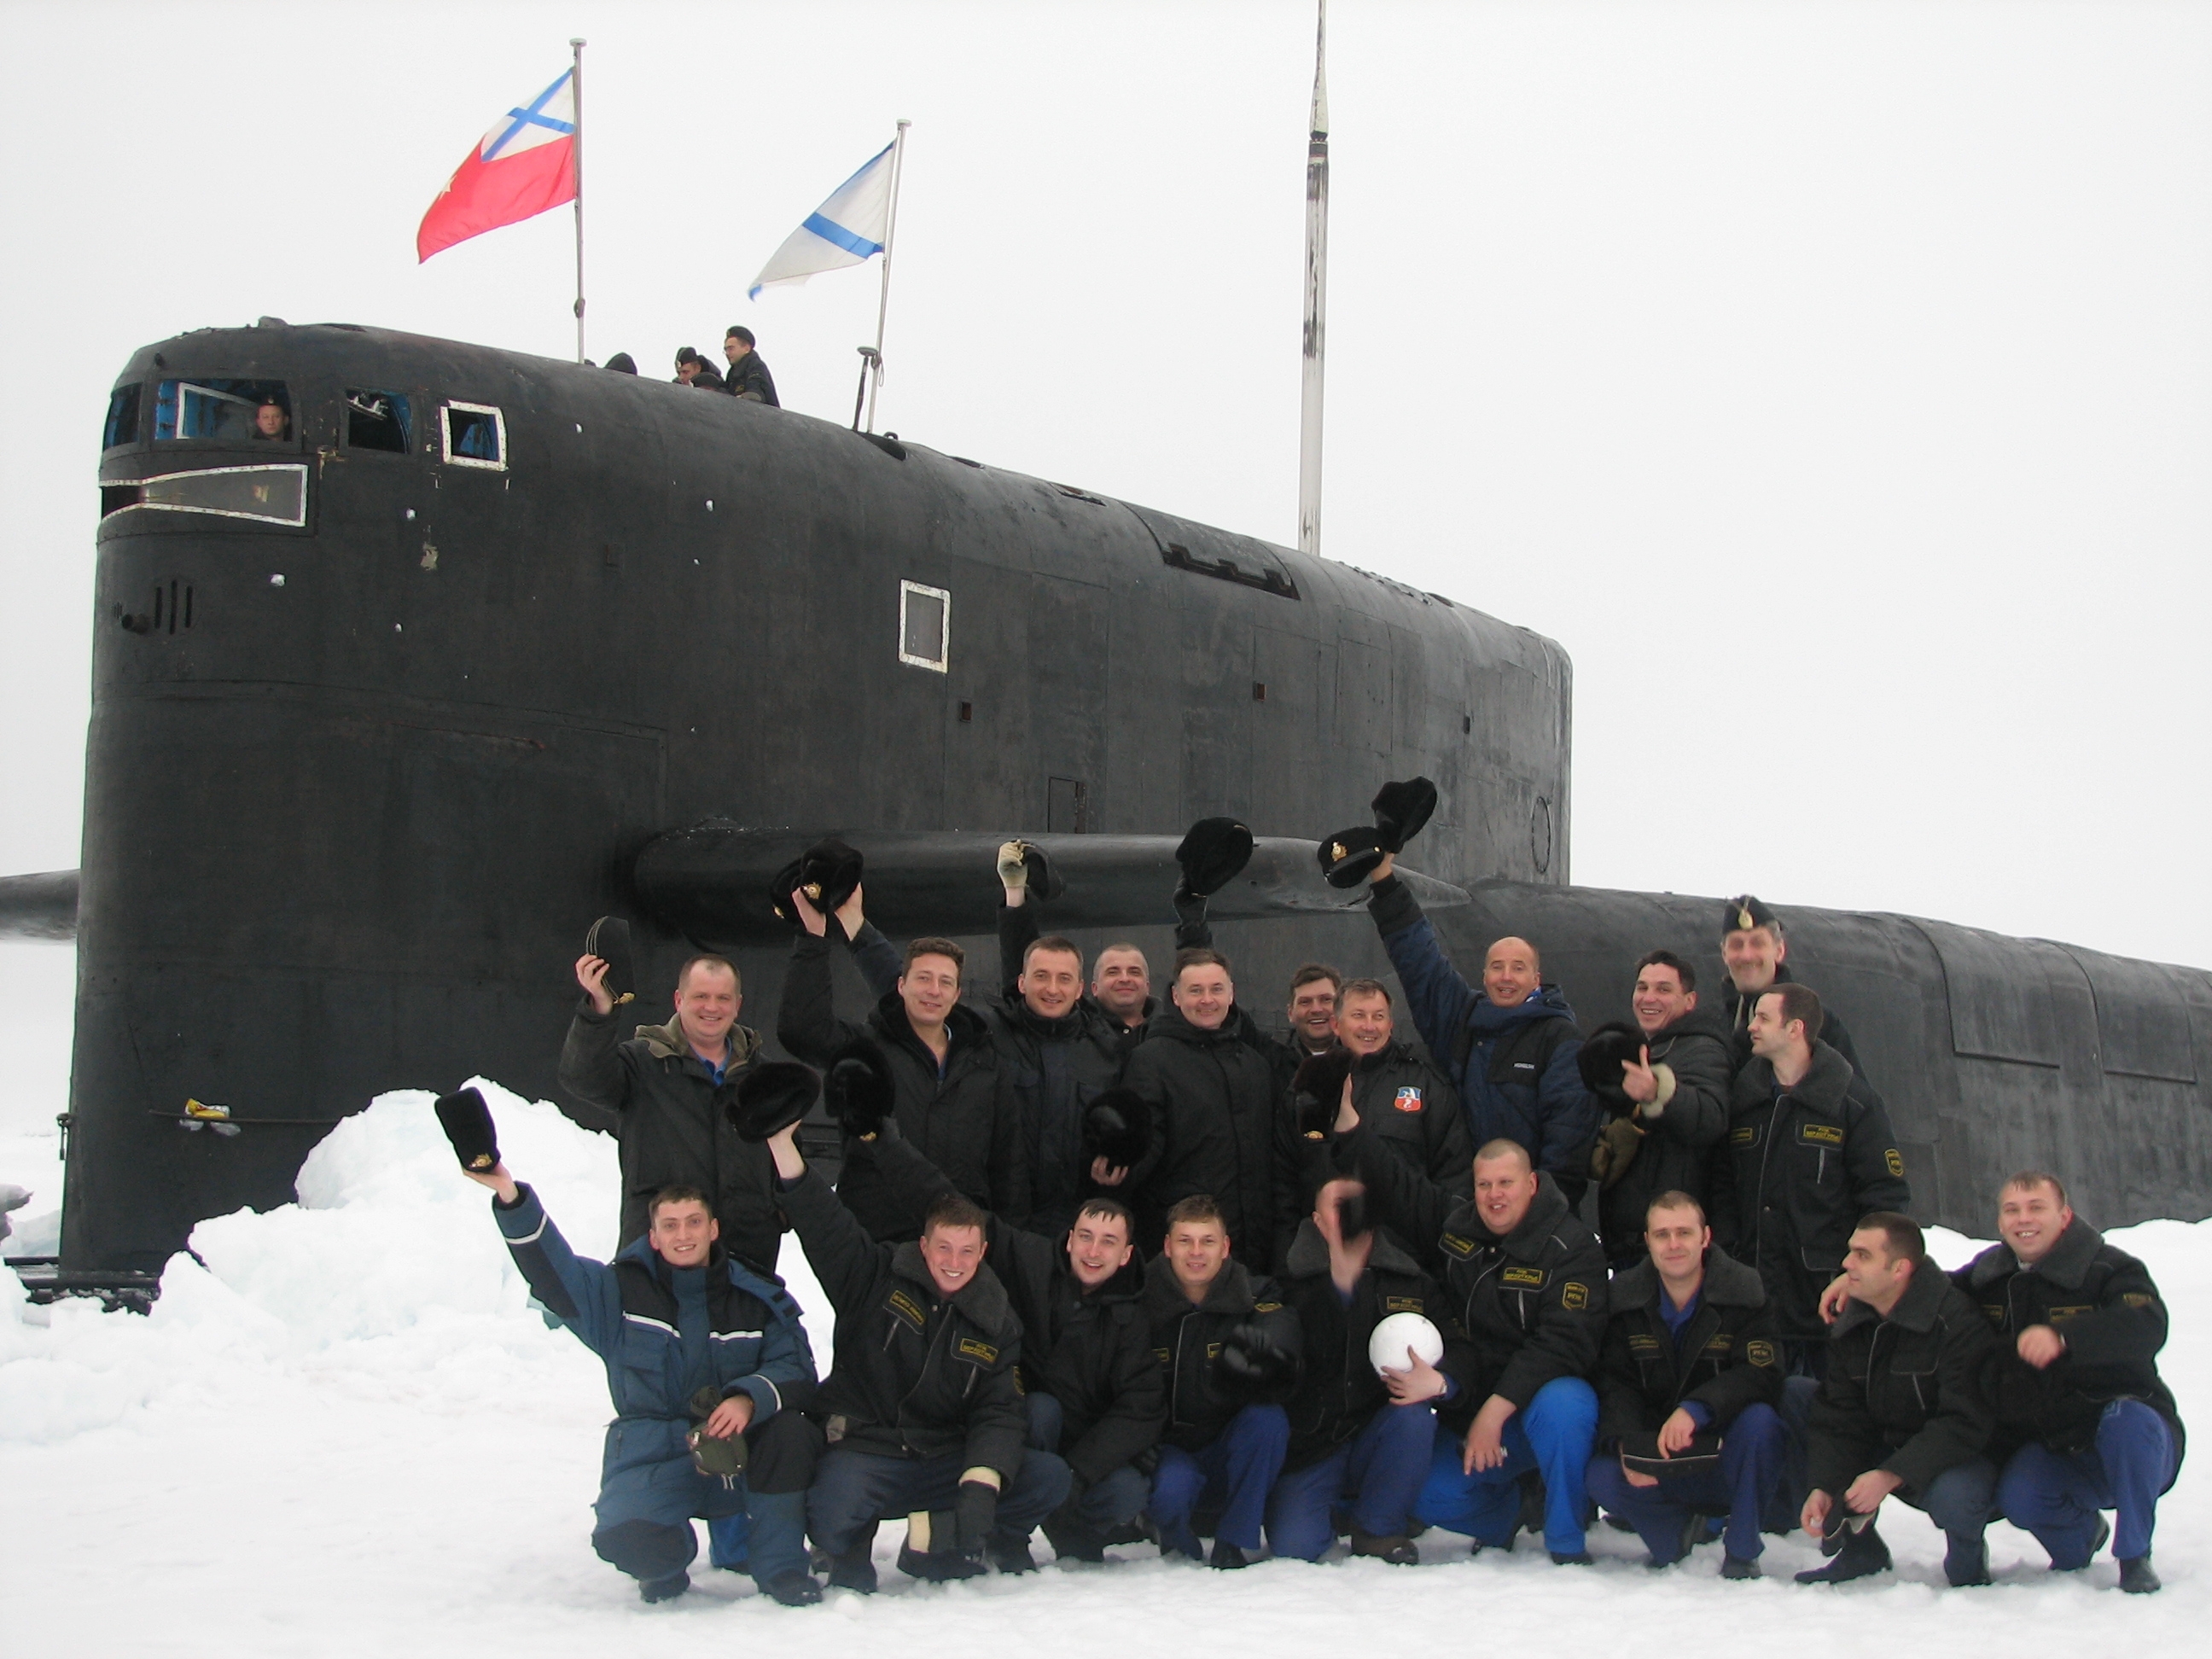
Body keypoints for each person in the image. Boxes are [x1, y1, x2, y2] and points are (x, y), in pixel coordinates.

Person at [466, 1161, 824, 1604]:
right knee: (627, 1538)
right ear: (653, 1236)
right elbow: (553, 1271)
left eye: (694, 1222)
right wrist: (510, 1196)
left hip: (738, 1449)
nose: (683, 1234)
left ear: (713, 1229)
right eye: (670, 1225)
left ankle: (782, 1570)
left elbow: (796, 1366)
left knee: (791, 1431)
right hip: (654, 1452)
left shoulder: (758, 1297)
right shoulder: (617, 1292)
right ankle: (666, 1563)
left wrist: (749, 1398)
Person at [759, 1117, 1070, 1586]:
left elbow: (1000, 1411)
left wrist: (981, 1481)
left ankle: (943, 1531)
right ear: (924, 1246)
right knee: (830, 1513)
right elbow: (825, 1223)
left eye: (967, 1251)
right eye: (944, 1248)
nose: (954, 1262)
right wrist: (783, 1148)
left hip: (942, 1455)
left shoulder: (997, 1320)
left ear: (983, 1252)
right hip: (869, 1448)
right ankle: (851, 1544)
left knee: (1047, 1476)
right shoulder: (875, 1276)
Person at [843, 1126, 1165, 1563]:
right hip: (1026, 1427)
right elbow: (944, 1201)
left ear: (1127, 1254)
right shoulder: (1031, 1261)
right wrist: (880, 1138)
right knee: (1040, 1410)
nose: (1094, 1250)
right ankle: (1007, 1533)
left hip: (1086, 1443)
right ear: (1069, 1239)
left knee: (1127, 1490)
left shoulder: (1136, 1313)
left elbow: (1141, 1406)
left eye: (1109, 1242)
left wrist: (1081, 1470)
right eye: (1085, 1237)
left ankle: (1071, 1528)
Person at [1339, 1111, 1607, 1563]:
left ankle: (1566, 1542)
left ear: (1532, 1185)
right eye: (1484, 1185)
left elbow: (1562, 1345)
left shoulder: (1573, 1247)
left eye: (1506, 1183)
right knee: (1423, 1490)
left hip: (1539, 1405)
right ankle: (1504, 1517)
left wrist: (1495, 1412)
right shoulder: (1456, 1229)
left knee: (1567, 1405)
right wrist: (1349, 1122)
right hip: (1474, 1408)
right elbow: (1400, 1185)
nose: (1494, 1196)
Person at [1961, 1172, 2182, 1593]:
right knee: (2020, 1495)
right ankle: (2080, 1541)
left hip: (2136, 1436)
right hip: (2059, 1438)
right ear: (2000, 1222)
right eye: (2012, 1210)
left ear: (2065, 1217)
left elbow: (2148, 1323)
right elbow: (1928, 1294)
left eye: (2036, 1208)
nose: (2023, 1219)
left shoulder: (2111, 1268)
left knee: (2128, 1421)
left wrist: (2066, 1337)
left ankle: (2135, 1556)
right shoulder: (1988, 1275)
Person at [777, 892, 1026, 1238]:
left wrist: (1004, 1243)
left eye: (945, 982)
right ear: (901, 985)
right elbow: (801, 1030)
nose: (933, 991)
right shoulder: (864, 1050)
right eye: (923, 978)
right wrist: (812, 937)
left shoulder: (984, 1065)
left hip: (957, 1245)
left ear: (956, 995)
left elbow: (1007, 1164)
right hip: (880, 1238)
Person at [1360, 852, 1599, 1205]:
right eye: (1497, 967)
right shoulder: (1465, 1021)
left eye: (1518, 968)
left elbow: (1568, 1139)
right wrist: (1384, 881)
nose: (1506, 977)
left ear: (1536, 980)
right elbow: (1421, 963)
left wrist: (1541, 1212)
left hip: (1528, 1208)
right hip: (1469, 1203)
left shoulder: (1560, 1041)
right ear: (1484, 976)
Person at [1267, 1178, 1473, 1563]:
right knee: (1296, 1549)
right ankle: (1325, 1509)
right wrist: (1338, 1288)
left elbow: (1461, 1347)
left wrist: (1444, 1380)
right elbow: (1287, 1347)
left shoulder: (1409, 1279)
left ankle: (1378, 1528)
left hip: (1378, 1437)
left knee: (1414, 1420)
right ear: (1316, 1221)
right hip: (1313, 1445)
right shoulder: (1290, 1283)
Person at [1584, 1192, 1786, 1578]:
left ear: (1705, 1237)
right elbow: (1614, 1381)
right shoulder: (1623, 1297)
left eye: (1683, 1233)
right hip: (1662, 1454)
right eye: (1662, 1235)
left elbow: (1762, 1372)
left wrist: (1696, 1409)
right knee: (1600, 1475)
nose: (1673, 1244)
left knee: (1762, 1422)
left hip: (1724, 1449)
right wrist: (1632, 1448)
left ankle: (1742, 1551)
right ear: (1647, 1241)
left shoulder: (1744, 1290)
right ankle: (1676, 1535)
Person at [1798, 1212, 1997, 1586]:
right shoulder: (1853, 1319)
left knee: (1956, 1495)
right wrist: (1824, 1485)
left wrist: (1890, 1475)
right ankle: (1860, 1551)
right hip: (1887, 1438)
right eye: (1850, 1252)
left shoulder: (1957, 1322)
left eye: (1862, 1255)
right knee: (1798, 1399)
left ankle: (1968, 1556)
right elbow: (1841, 1414)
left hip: (1956, 1454)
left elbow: (1966, 1422)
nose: (1846, 1264)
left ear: (1899, 1269)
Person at [560, 951, 787, 1272]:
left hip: (746, 1263)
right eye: (701, 996)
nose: (712, 1007)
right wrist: (599, 1011)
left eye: (723, 998)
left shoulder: (765, 1079)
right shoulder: (642, 1064)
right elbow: (582, 1079)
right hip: (656, 1260)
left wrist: (775, 1214)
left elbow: (790, 1162)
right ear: (678, 1000)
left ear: (737, 1005)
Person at [1725, 982, 1909, 1372]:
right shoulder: (1746, 1101)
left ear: (1795, 1029)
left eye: (1763, 1018)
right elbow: (1724, 1190)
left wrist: (1854, 1273)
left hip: (1821, 1305)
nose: (1751, 1028)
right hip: (1755, 1302)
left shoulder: (1853, 1104)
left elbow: (1885, 1197)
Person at [1143, 1194, 1301, 1568]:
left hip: (1228, 1444)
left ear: (1225, 1247)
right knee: (1170, 1491)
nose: (1196, 1252)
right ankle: (1174, 1536)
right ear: (1167, 1246)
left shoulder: (1253, 1292)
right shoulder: (1142, 1301)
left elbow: (1282, 1327)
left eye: (1207, 1241)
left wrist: (1268, 1350)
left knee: (1269, 1420)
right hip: (1171, 1449)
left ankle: (1234, 1540)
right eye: (1185, 1241)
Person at [981, 849, 1128, 1238]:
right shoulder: (994, 1037)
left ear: (1081, 989)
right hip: (1004, 1226)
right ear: (1022, 982)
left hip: (1078, 1232)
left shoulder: (1106, 1051)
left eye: (1064, 979)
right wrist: (1015, 894)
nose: (1052, 988)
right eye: (1041, 977)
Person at [1121, 948, 1286, 1270]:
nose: (1207, 1000)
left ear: (1231, 993)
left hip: (1253, 1243)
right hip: (1187, 1245)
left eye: (1216, 989)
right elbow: (1142, 1152)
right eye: (1195, 991)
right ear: (1176, 997)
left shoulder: (1255, 1065)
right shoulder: (1151, 1061)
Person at [1275, 979, 1469, 1249]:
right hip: (1323, 1258)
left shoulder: (1425, 1085)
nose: (1369, 1026)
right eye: (1358, 1016)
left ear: (1390, 1024)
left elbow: (1455, 1179)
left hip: (1405, 1261)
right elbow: (1283, 1187)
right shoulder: (1307, 1086)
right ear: (1336, 1024)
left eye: (1378, 1017)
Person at [1586, 950, 1733, 1268]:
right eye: (1642, 988)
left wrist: (1658, 1092)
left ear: (1690, 1001)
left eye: (1664, 989)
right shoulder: (1651, 1049)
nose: (1648, 997)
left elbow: (1710, 1117)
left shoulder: (1701, 1049)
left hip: (1670, 1240)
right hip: (1634, 1236)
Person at [1717, 895, 1872, 1084]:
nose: (1746, 955)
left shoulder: (1817, 1025)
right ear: (1724, 954)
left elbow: (1855, 1102)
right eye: (1736, 945)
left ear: (1779, 951)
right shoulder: (1714, 1025)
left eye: (1758, 943)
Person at [1282, 964, 1343, 1063]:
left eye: (1326, 1000)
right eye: (1305, 1002)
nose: (1316, 1009)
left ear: (1343, 1007)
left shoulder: (1363, 1057)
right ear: (1290, 1013)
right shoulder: (1271, 1058)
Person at [721, 325, 780, 405]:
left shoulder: (756, 366)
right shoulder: (732, 373)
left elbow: (756, 392)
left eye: (731, 349)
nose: (727, 353)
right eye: (726, 350)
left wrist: (749, 396)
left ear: (746, 348)